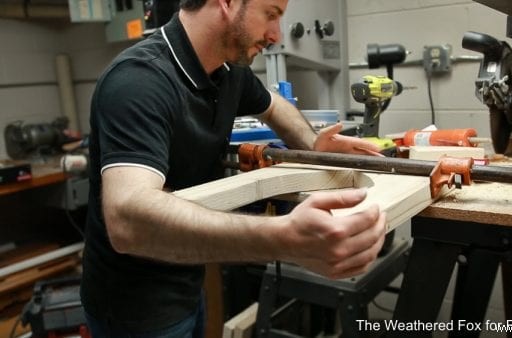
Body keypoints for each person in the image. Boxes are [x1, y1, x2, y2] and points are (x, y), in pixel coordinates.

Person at [81, 0, 387, 336]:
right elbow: (128, 221)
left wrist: (313, 144)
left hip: (186, 277)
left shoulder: (227, 71)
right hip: (134, 310)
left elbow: (273, 106)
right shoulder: (138, 81)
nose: (275, 35)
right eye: (271, 14)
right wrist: (283, 238)